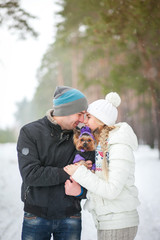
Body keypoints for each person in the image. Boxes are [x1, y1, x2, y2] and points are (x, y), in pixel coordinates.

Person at [64, 92, 140, 240]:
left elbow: (111, 190)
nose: (85, 121)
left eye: (89, 117)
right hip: (109, 222)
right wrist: (81, 187)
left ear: (101, 119)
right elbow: (101, 185)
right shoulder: (102, 145)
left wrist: (79, 172)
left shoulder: (119, 146)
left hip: (118, 222)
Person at [17, 86, 88, 240]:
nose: (83, 120)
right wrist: (68, 171)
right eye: (80, 114)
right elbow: (31, 175)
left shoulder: (82, 136)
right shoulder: (30, 132)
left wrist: (81, 189)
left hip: (70, 215)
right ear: (66, 110)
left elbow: (88, 170)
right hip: (36, 216)